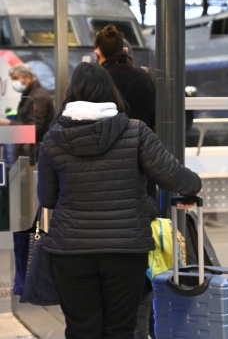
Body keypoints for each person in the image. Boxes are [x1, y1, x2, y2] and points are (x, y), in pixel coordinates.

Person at [37, 62, 201, 339]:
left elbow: (47, 198)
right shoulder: (135, 132)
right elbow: (177, 179)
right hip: (125, 250)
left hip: (71, 251)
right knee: (120, 330)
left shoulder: (53, 138)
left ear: (70, 93)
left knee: (81, 329)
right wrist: (194, 183)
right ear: (110, 92)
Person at [94, 24, 155, 131]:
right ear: (124, 50)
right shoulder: (145, 77)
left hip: (112, 147)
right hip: (144, 144)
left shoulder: (98, 82)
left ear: (97, 54)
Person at [0, 63, 54, 163]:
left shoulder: (38, 97)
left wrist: (6, 124)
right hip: (26, 157)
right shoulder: (28, 96)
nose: (13, 82)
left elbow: (32, 132)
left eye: (16, 78)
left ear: (28, 77)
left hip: (35, 158)